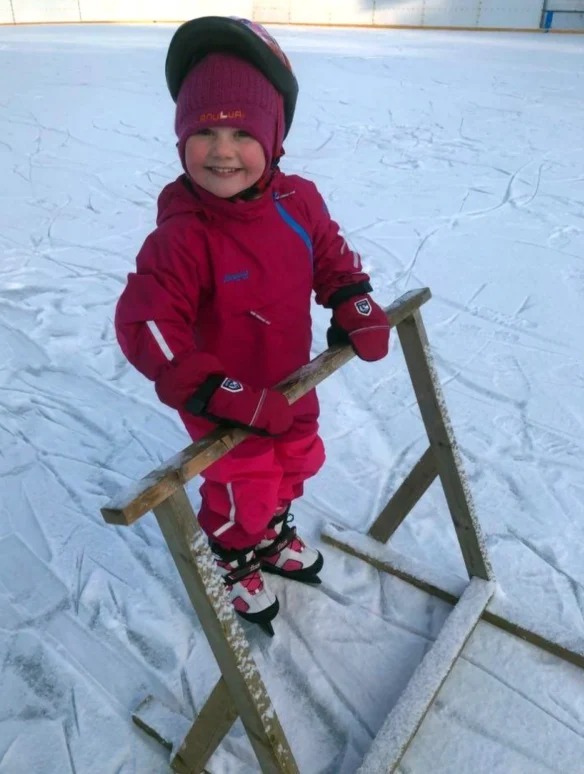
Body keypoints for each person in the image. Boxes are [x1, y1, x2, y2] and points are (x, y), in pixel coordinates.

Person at [114, 18, 391, 632]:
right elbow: (148, 324)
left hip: (293, 380)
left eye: (242, 132)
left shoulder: (298, 201)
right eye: (204, 132)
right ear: (180, 139)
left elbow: (329, 254)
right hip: (224, 400)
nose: (222, 150)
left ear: (274, 136)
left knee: (296, 459)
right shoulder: (184, 235)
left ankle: (269, 535)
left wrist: (352, 298)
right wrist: (215, 390)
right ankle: (232, 552)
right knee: (244, 483)